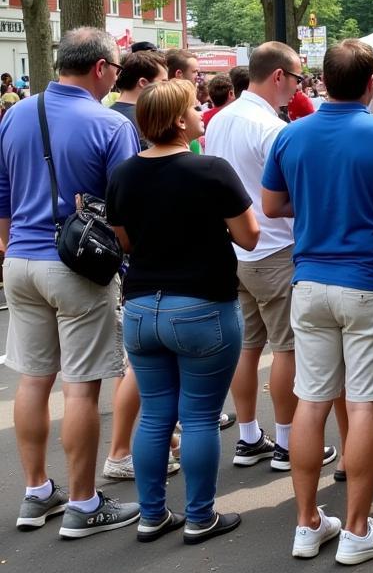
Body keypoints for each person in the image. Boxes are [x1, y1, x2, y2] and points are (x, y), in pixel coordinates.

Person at [262, 39, 373, 564]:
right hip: (370, 281)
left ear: (321, 80)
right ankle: (356, 530)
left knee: (312, 402)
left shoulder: (292, 135)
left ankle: (308, 523)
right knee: (365, 402)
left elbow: (271, 203)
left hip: (309, 281)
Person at [0, 27, 142, 537]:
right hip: (77, 264)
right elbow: (126, 202)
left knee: (34, 380)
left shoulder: (16, 112)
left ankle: (37, 492)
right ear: (102, 68)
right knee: (80, 388)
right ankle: (84, 503)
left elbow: (1, 189)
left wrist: (9, 243)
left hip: (19, 259)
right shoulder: (107, 123)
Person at [106, 79, 259, 544]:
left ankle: (151, 515)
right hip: (201, 306)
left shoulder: (124, 175)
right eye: (194, 107)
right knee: (197, 417)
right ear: (178, 120)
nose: (200, 112)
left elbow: (125, 240)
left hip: (141, 307)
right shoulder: (211, 170)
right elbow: (250, 237)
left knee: (154, 416)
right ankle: (200, 516)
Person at [205, 42, 336, 474]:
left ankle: (248, 436)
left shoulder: (221, 119)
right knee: (287, 349)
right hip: (275, 247)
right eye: (297, 78)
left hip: (234, 247)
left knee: (248, 347)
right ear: (279, 76)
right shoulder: (271, 128)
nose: (298, 87)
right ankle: (284, 441)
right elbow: (293, 195)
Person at [103, 48, 173, 480]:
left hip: (128, 261)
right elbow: (123, 205)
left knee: (142, 366)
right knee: (138, 369)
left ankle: (135, 448)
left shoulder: (109, 115)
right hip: (140, 266)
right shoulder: (120, 126)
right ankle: (121, 451)